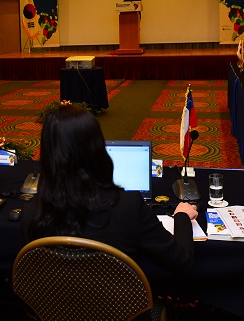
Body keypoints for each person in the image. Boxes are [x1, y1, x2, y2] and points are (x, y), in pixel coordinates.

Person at [21, 104, 197, 278]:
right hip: (121, 298)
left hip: (56, 297)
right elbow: (182, 262)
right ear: (97, 148)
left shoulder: (32, 212)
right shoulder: (129, 206)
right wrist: (181, 216)